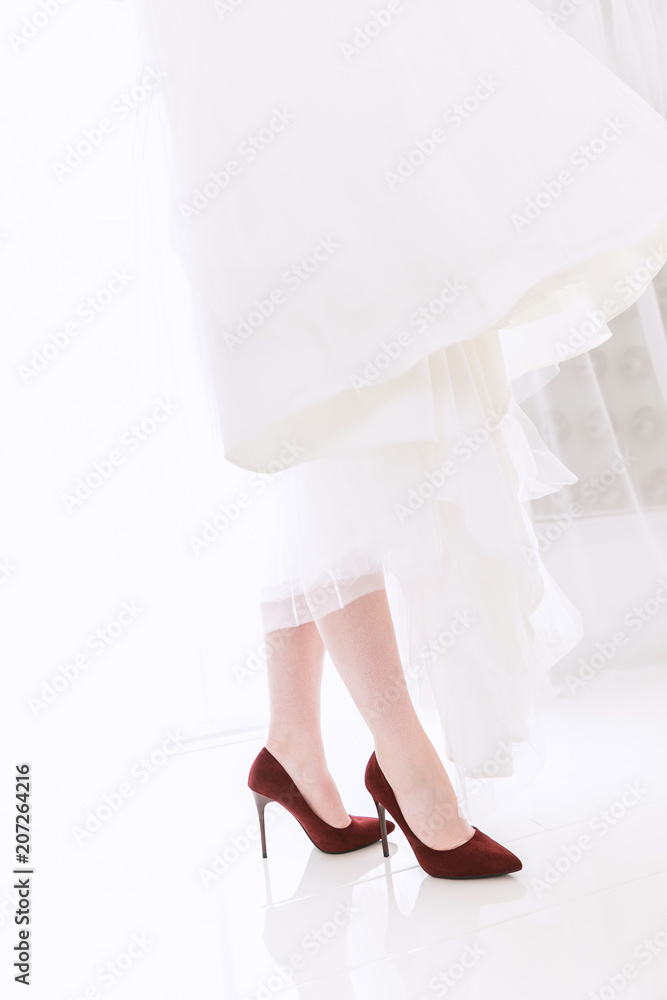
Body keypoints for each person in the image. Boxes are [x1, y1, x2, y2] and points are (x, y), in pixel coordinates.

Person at [137, 0, 667, 878]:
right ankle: (410, 774)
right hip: (265, 114)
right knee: (339, 410)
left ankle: (292, 745)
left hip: (328, 94)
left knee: (336, 418)